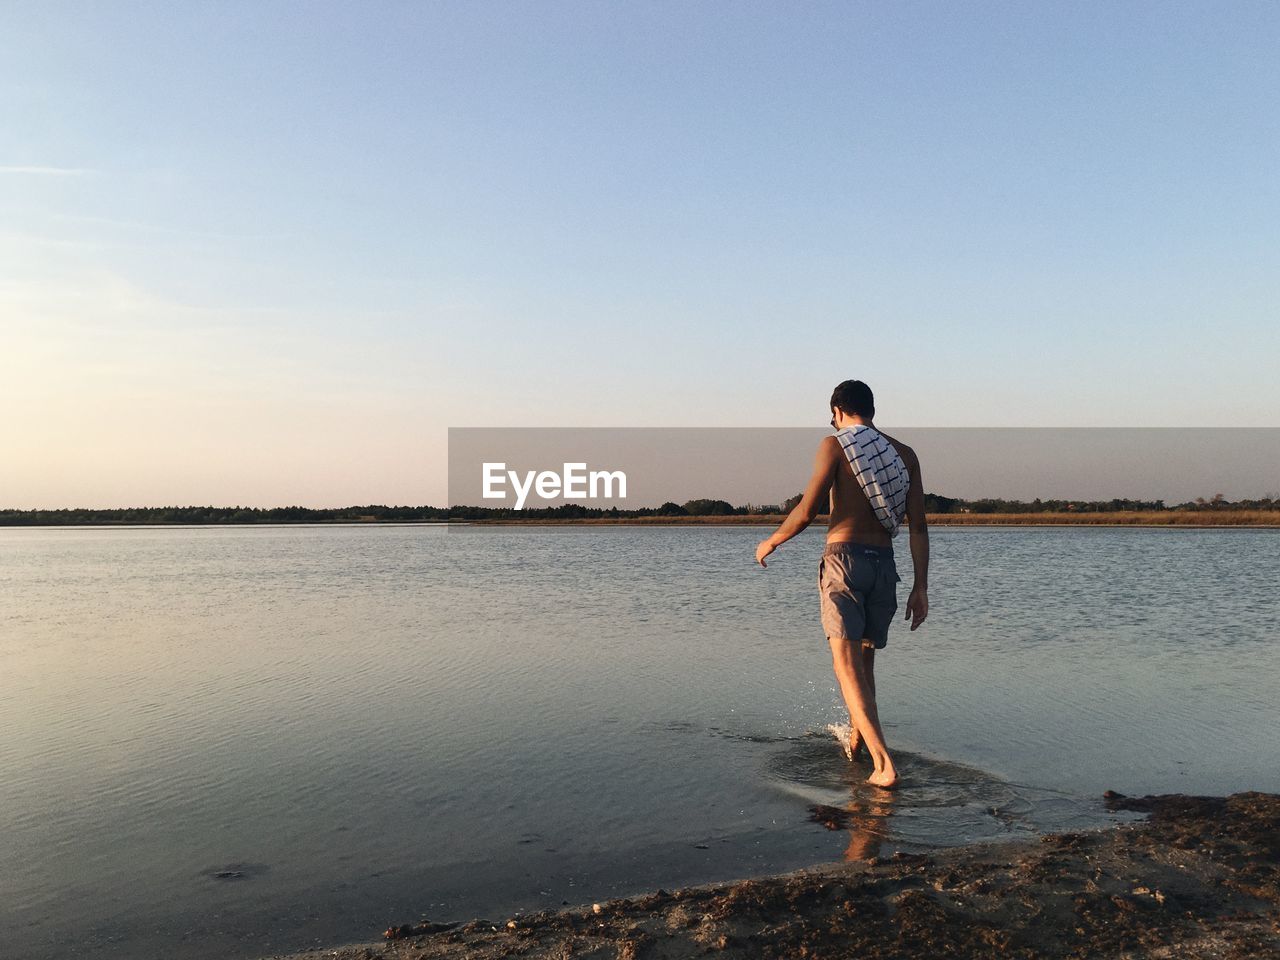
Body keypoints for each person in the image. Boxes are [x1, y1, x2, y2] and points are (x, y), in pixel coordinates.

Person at [755, 380, 929, 789]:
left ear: (837, 411)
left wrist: (771, 541)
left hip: (845, 562)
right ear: (871, 409)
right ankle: (858, 740)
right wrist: (921, 587)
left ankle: (883, 765)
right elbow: (918, 526)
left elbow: (808, 509)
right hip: (885, 566)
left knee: (844, 665)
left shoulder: (835, 444)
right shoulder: (905, 455)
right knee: (865, 665)